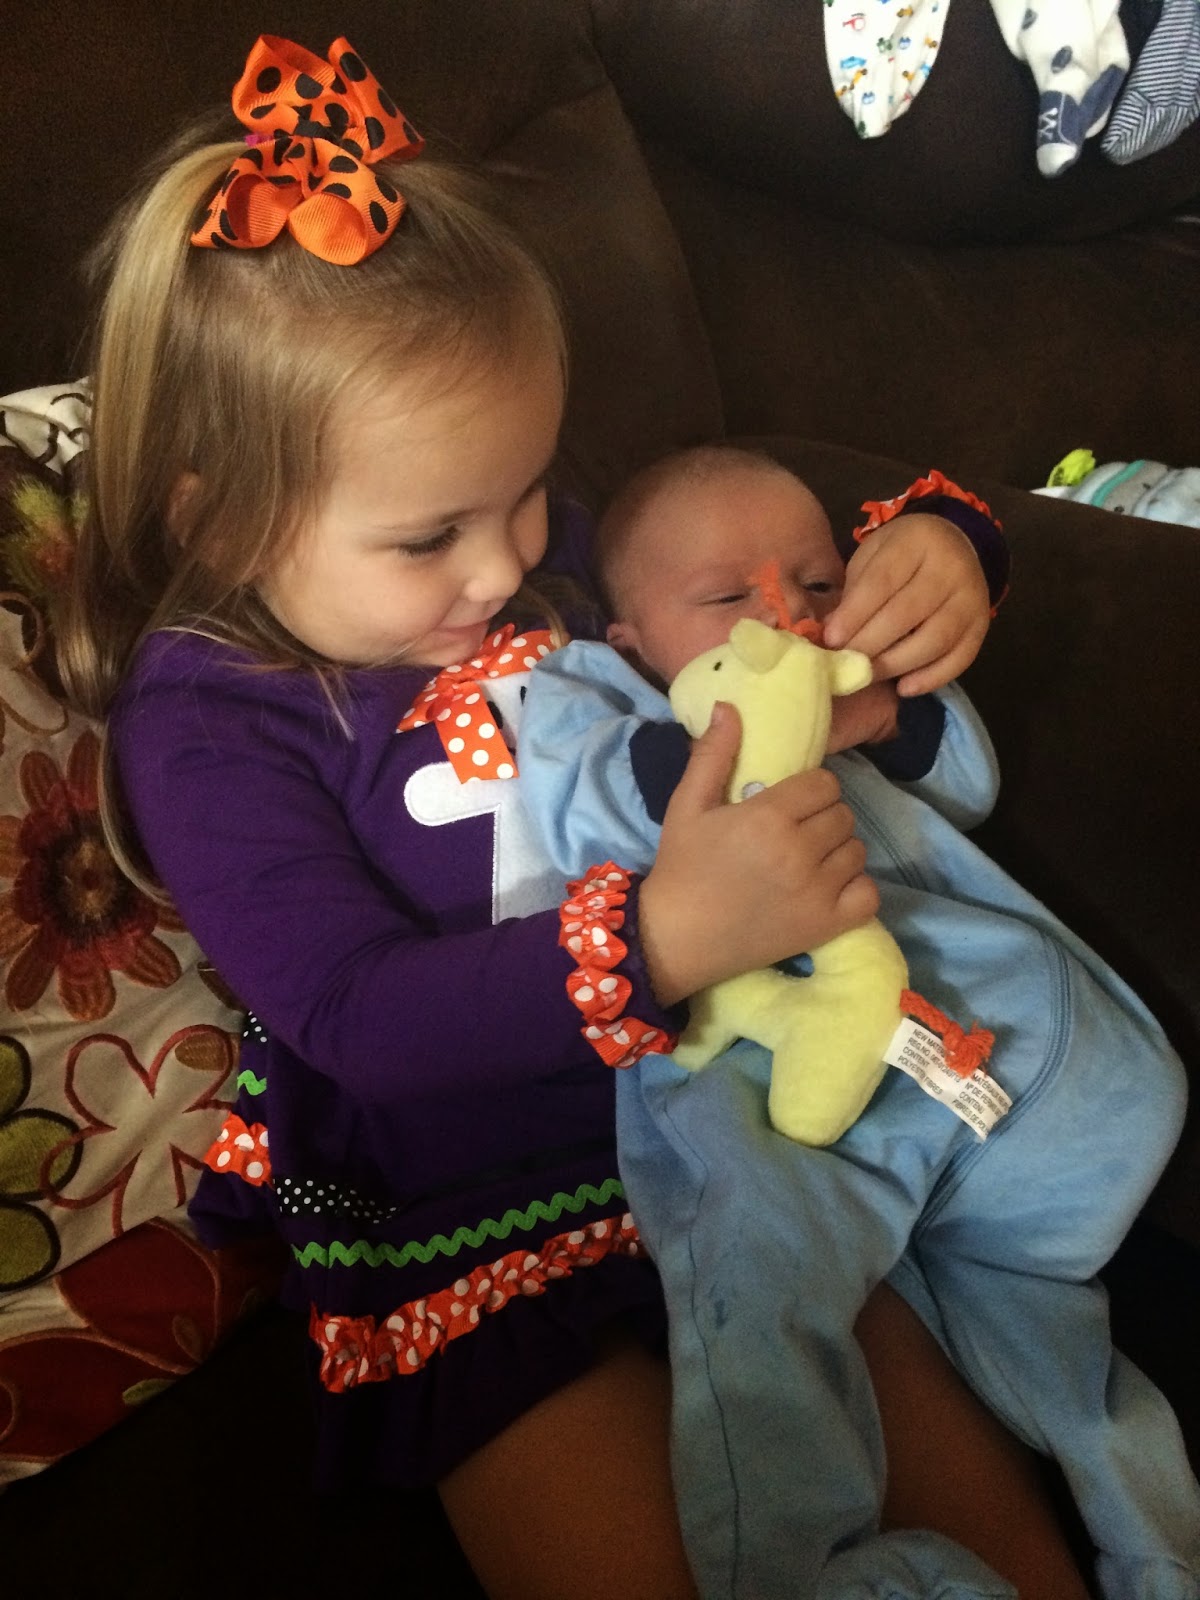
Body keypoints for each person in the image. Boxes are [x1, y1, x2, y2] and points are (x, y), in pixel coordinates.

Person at [50, 31, 1153, 1600]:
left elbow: (728, 556)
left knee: (1020, 1557)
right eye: (431, 536)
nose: (512, 563)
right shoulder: (211, 716)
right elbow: (352, 1012)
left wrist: (935, 546)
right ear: (217, 520)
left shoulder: (546, 554)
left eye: (524, 493)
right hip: (472, 1217)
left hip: (750, 1154)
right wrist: (659, 938)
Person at [518, 443, 1200, 1600]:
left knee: (1061, 1348)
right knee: (755, 1283)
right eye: (726, 598)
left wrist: (885, 711)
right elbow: (580, 808)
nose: (783, 614)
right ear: (628, 640)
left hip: (991, 1076)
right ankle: (810, 1569)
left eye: (817, 583)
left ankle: (1163, 1551)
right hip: (760, 1070)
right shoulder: (590, 689)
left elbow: (968, 781)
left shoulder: (856, 702)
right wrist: (760, 721)